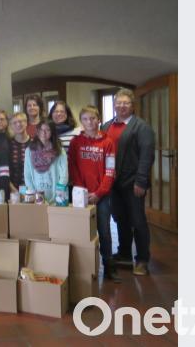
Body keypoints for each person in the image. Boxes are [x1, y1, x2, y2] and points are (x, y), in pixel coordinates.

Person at [101, 88, 156, 276]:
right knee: (120, 219)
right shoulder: (106, 126)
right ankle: (124, 254)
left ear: (132, 106)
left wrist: (141, 181)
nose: (122, 106)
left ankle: (142, 260)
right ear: (114, 105)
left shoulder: (142, 127)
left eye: (126, 103)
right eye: (119, 102)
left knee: (138, 220)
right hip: (113, 184)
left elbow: (146, 156)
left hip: (133, 182)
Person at [69, 106, 119, 283]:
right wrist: (82, 190)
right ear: (81, 122)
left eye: (92, 118)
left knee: (104, 230)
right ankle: (86, 269)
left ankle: (109, 267)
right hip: (80, 194)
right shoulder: (76, 142)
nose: (89, 122)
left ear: (99, 119)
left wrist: (99, 193)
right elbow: (73, 167)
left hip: (102, 195)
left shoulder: (108, 142)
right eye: (85, 119)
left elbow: (110, 171)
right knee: (82, 232)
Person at [24, 120, 68, 203]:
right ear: (37, 131)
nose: (43, 133)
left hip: (56, 196)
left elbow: (64, 174)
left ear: (52, 132)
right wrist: (34, 194)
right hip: (36, 197)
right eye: (41, 129)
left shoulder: (59, 150)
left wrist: (58, 194)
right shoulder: (29, 150)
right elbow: (27, 174)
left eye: (47, 130)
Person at [8, 112, 32, 193]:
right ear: (11, 126)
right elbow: (5, 171)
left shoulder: (35, 144)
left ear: (26, 123)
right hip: (13, 190)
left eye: (21, 121)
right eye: (14, 123)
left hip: (33, 189)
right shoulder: (8, 145)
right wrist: (14, 190)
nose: (18, 124)